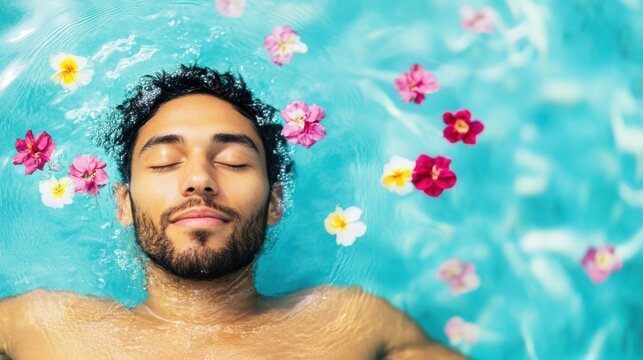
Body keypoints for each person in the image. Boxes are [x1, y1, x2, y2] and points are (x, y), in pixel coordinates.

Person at [0, 65, 465, 359]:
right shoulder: (36, 329)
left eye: (234, 161)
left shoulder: (355, 327)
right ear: (123, 203)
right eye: (165, 161)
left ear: (274, 203)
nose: (199, 178)